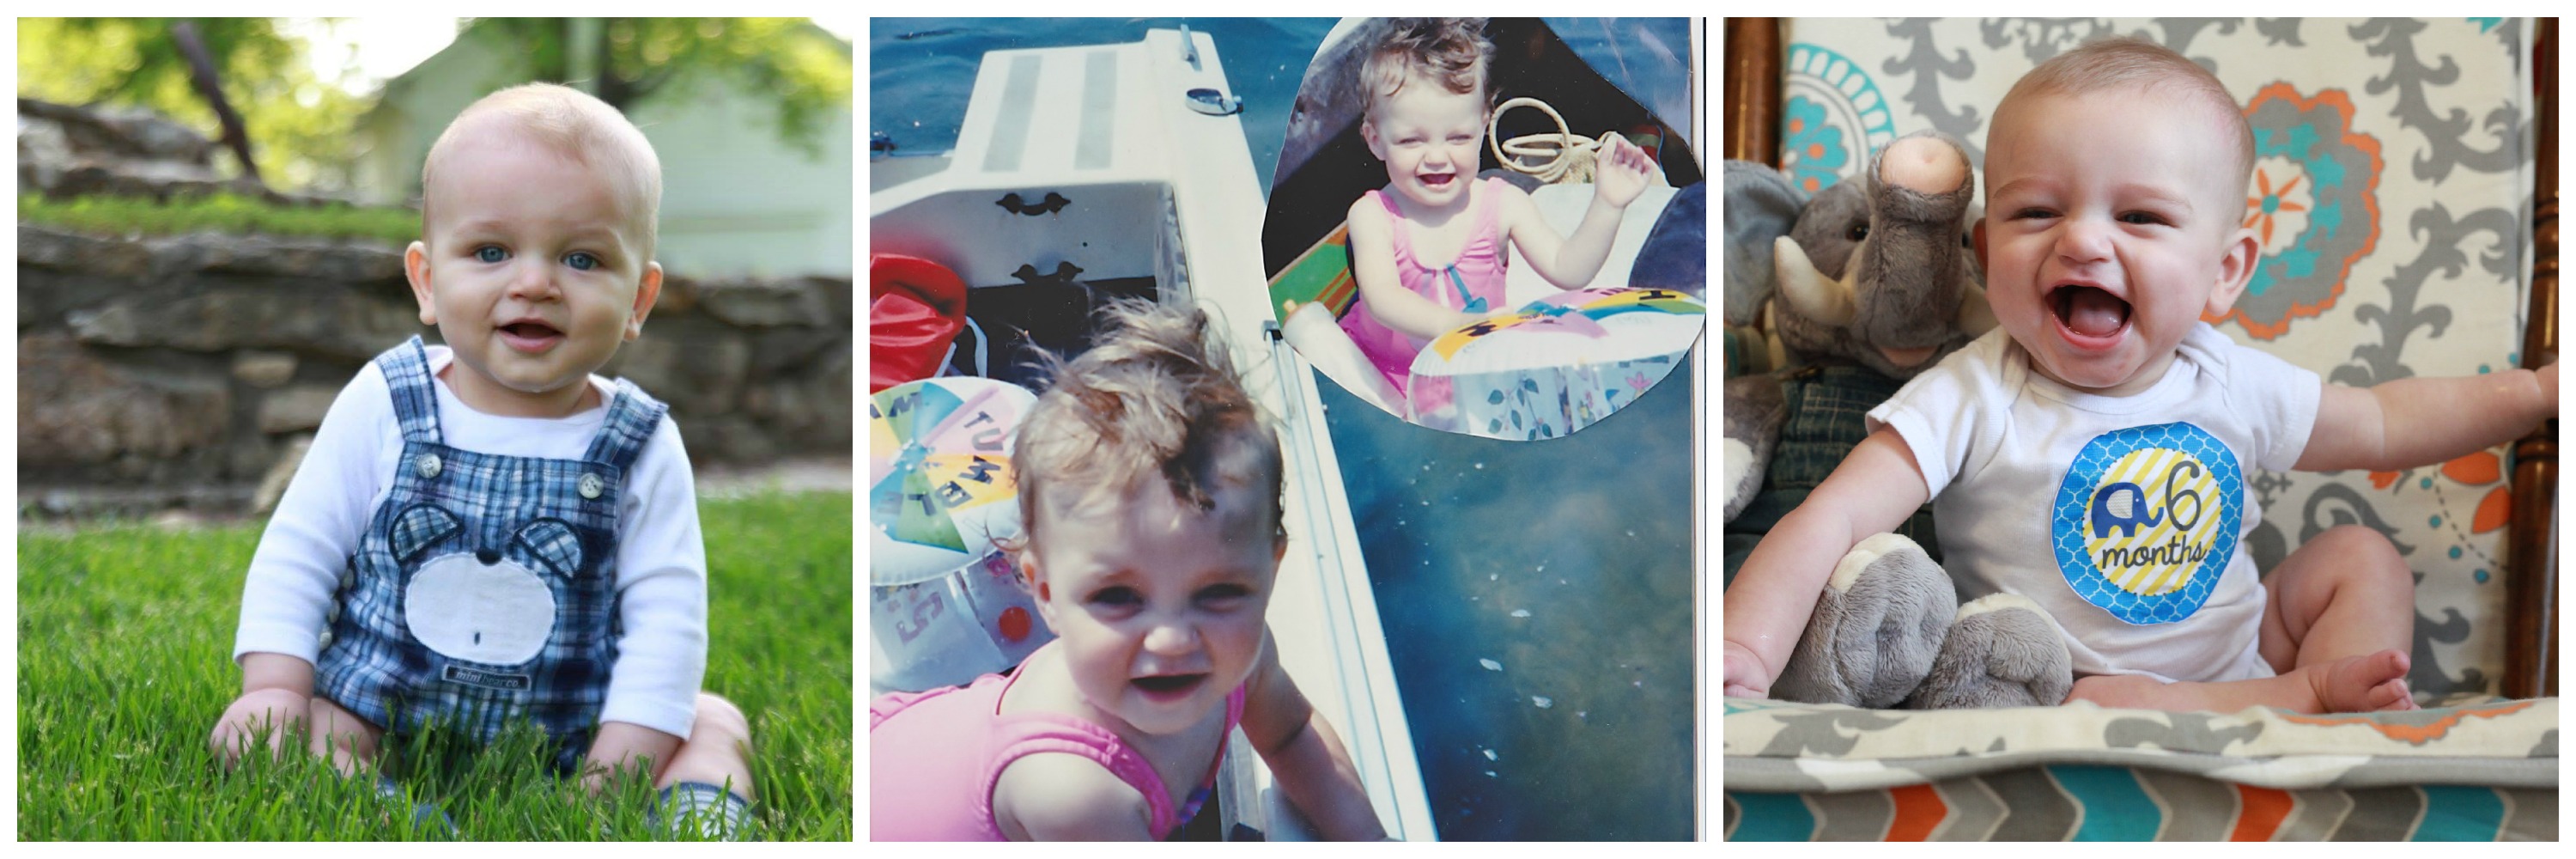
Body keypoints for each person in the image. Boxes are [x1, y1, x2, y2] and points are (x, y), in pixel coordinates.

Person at [1721, 38, 2557, 715]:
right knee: (2090, 699)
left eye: (2141, 216)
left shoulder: (2226, 378)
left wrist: (2536, 394)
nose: (2084, 241)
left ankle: (2336, 710)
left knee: (2360, 557)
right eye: (2036, 211)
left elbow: (2381, 423)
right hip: (2079, 688)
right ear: (1986, 251)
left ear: (2224, 271)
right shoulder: (1971, 394)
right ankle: (2300, 702)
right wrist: (1742, 652)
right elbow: (1832, 517)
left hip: (2247, 656)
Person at [208, 82, 753, 838]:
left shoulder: (641, 442)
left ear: (639, 299)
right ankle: (408, 823)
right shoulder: (385, 399)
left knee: (711, 720)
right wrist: (274, 685)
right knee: (276, 737)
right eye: (491, 252)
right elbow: (301, 551)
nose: (534, 283)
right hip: (376, 712)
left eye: (583, 258)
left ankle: (693, 826)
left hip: (581, 728)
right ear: (428, 281)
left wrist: (612, 772)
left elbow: (668, 623)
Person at [870, 300, 1388, 841]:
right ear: (1044, 591)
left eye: (1219, 591)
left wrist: (1372, 841)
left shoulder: (1243, 653)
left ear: (1270, 570)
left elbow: (1292, 735)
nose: (1172, 640)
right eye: (1117, 597)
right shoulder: (1073, 789)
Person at [1339, 17, 1656, 413]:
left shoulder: (1504, 204)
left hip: (1472, 373)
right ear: (1375, 140)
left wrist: (1608, 203)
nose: (1436, 157)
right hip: (1386, 374)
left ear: (1484, 123)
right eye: (1411, 140)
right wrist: (1458, 328)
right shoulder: (1372, 215)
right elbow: (1383, 298)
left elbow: (1569, 268)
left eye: (1458, 137)